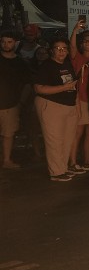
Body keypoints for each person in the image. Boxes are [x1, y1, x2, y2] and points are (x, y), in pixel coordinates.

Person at [33, 38, 80, 182]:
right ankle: (56, 172)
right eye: (58, 48)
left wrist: (77, 107)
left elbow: (74, 86)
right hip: (51, 105)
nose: (61, 51)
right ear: (52, 50)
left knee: (67, 139)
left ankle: (62, 168)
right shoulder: (46, 66)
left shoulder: (67, 64)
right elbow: (39, 88)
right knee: (54, 140)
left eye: (64, 48)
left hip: (69, 106)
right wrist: (64, 88)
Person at [68, 23, 89, 171]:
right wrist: (75, 30)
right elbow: (72, 47)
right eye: (84, 40)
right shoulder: (77, 58)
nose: (87, 43)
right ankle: (73, 162)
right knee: (78, 132)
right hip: (80, 99)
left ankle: (88, 160)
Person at [0, 31, 29, 169]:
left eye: (9, 42)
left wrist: (21, 102)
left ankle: (6, 160)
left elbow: (27, 84)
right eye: (3, 42)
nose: (6, 45)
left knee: (8, 133)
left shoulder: (20, 62)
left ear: (15, 43)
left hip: (11, 103)